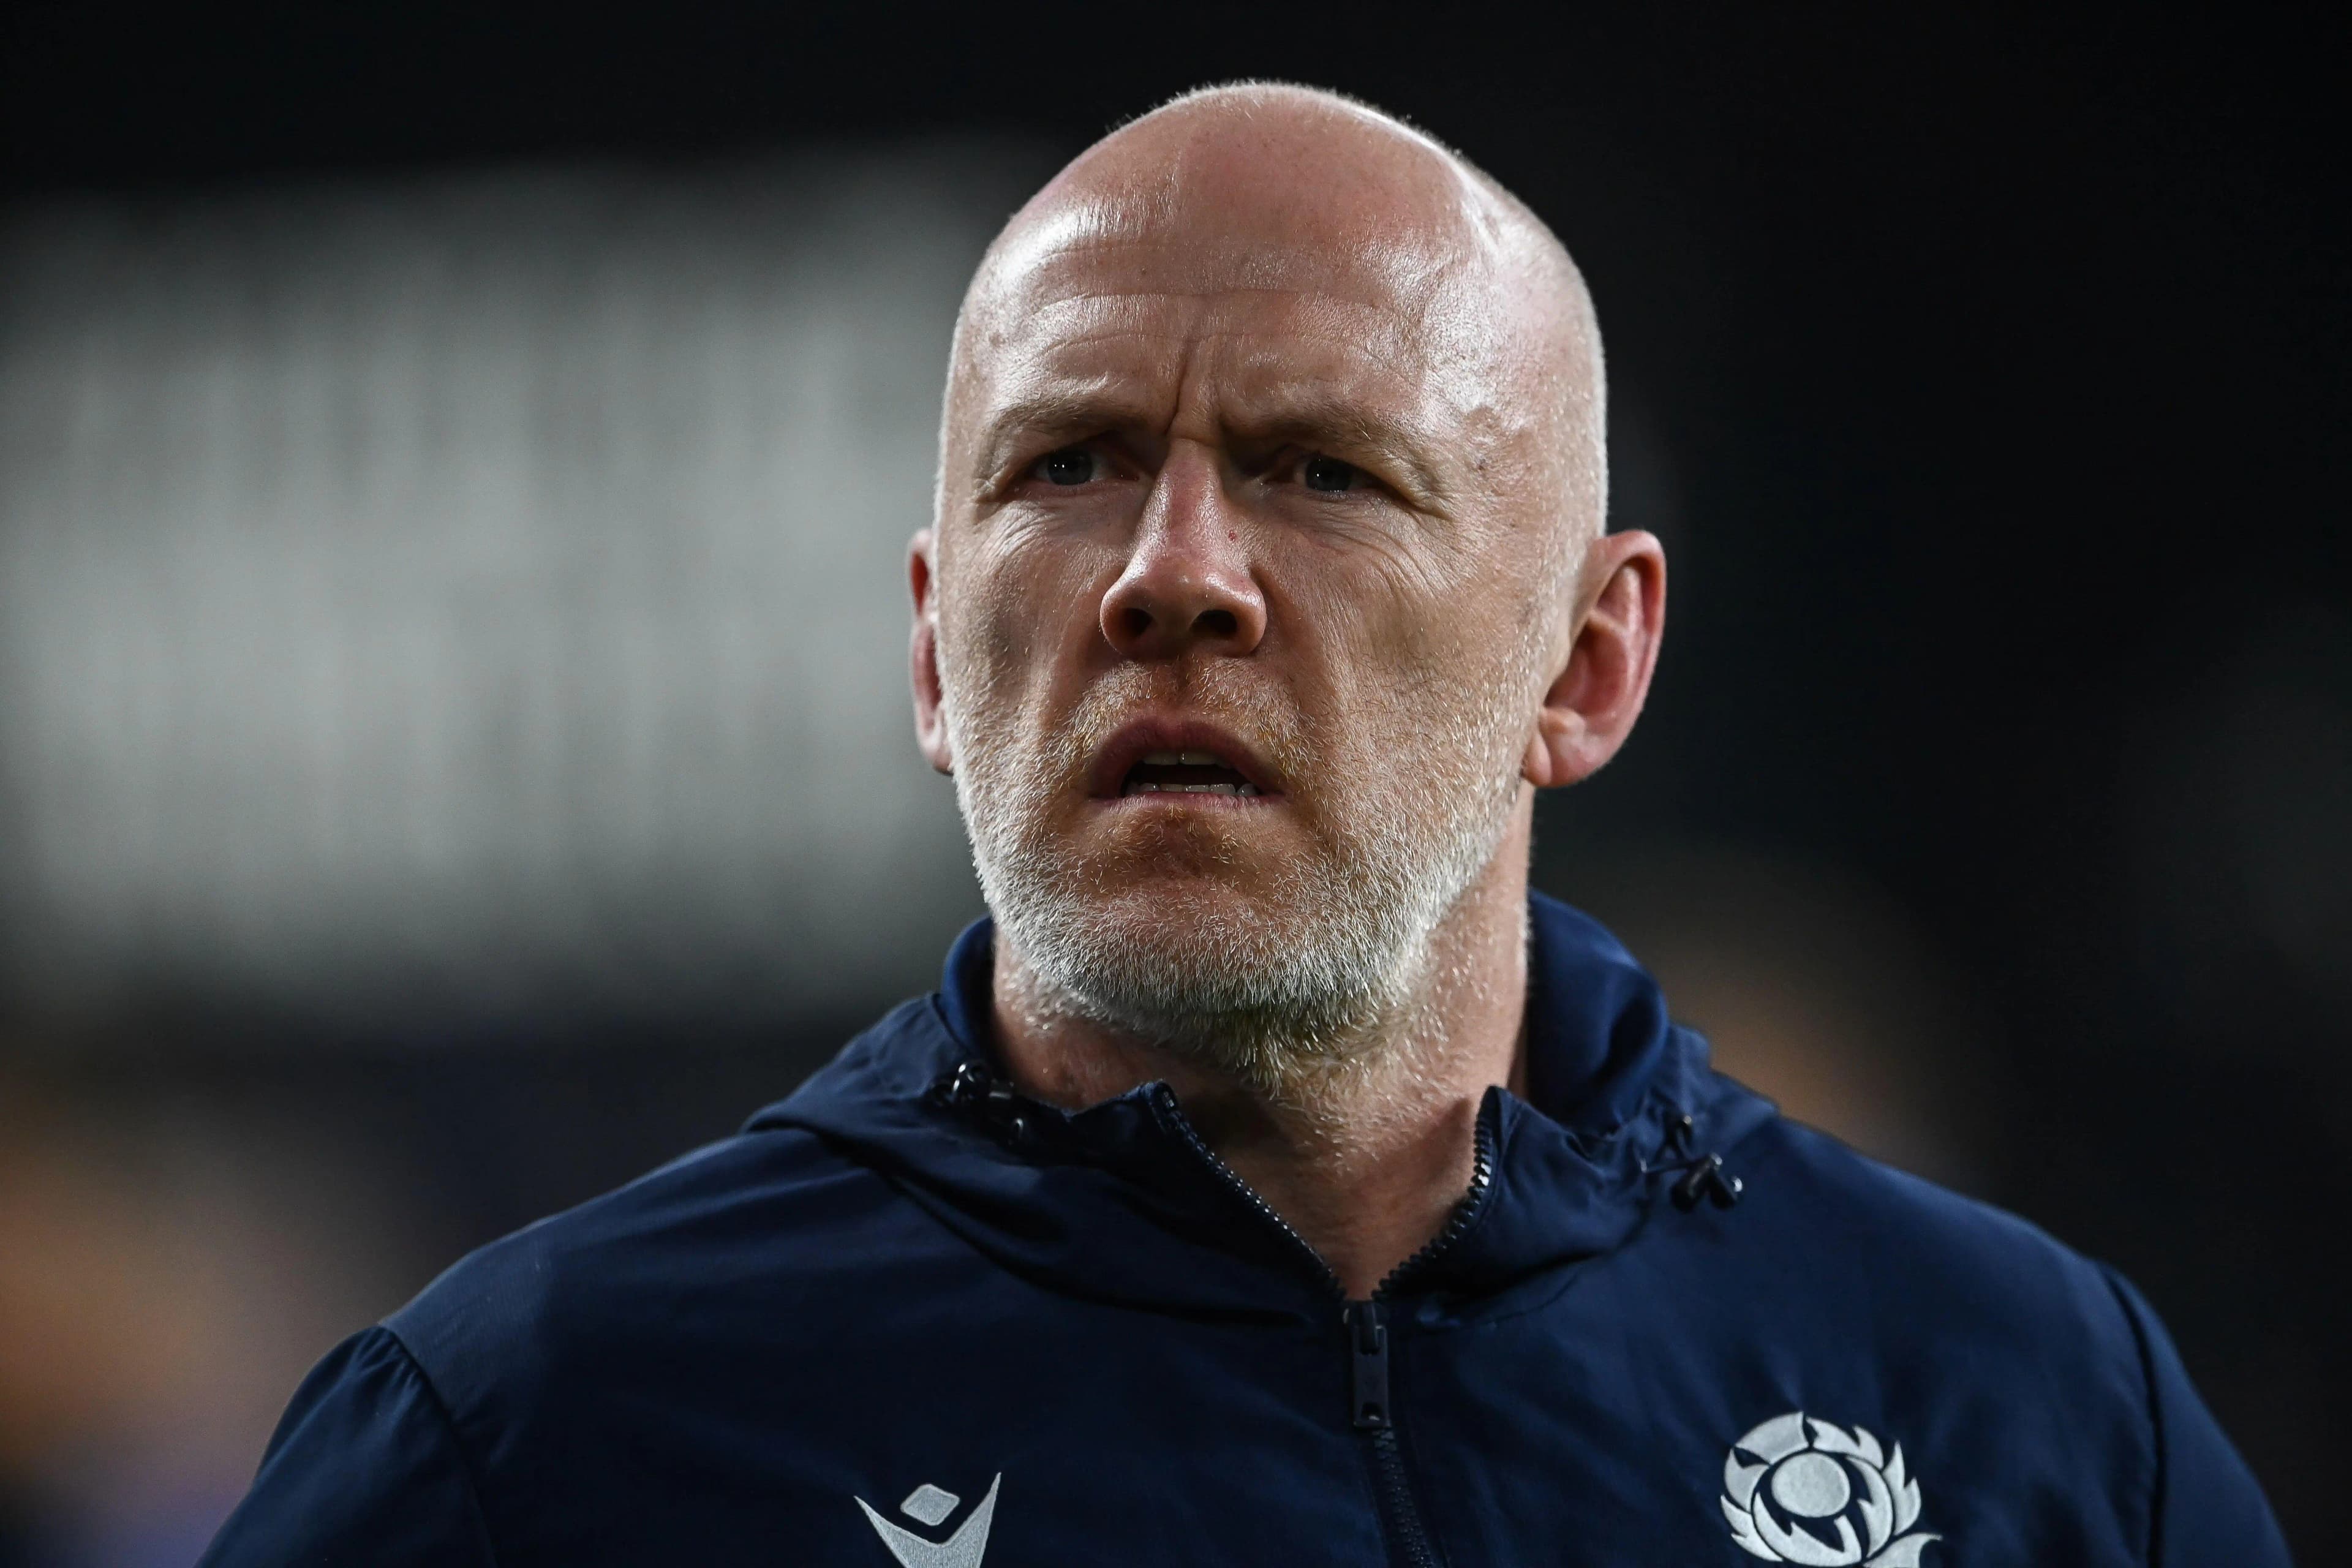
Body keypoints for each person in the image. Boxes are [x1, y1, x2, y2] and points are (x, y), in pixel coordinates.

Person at [199, 83, 2288, 1567]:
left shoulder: (2027, 1409)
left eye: (1318, 472)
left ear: (1589, 662)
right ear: (938, 658)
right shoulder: (539, 1438)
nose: (1170, 571)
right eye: (1074, 463)